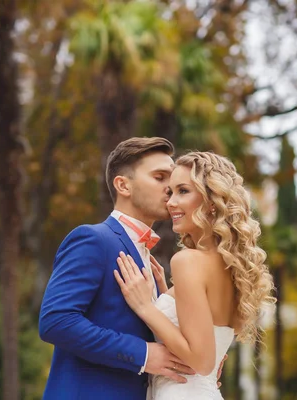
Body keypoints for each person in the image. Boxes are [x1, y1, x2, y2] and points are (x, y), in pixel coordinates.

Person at [39, 137, 196, 400]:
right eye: (160, 177)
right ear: (123, 185)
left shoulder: (151, 259)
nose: (170, 188)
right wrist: (143, 354)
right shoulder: (92, 239)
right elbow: (56, 321)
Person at [114, 151, 276, 400]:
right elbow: (209, 331)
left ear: (212, 201)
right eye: (170, 192)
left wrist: (147, 307)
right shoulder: (229, 266)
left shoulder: (188, 261)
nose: (170, 202)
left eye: (183, 191)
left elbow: (202, 361)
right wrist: (165, 293)